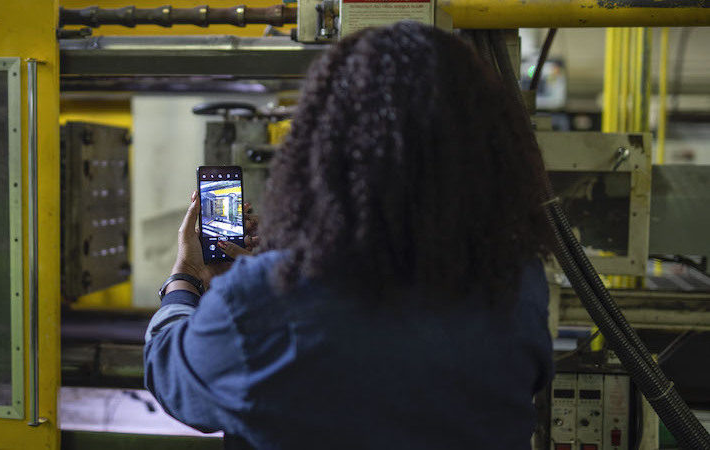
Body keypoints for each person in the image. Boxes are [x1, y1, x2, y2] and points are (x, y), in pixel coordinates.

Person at [144, 21, 554, 449]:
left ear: (326, 148)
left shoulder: (263, 301)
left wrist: (186, 276)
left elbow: (172, 377)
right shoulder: (519, 284)